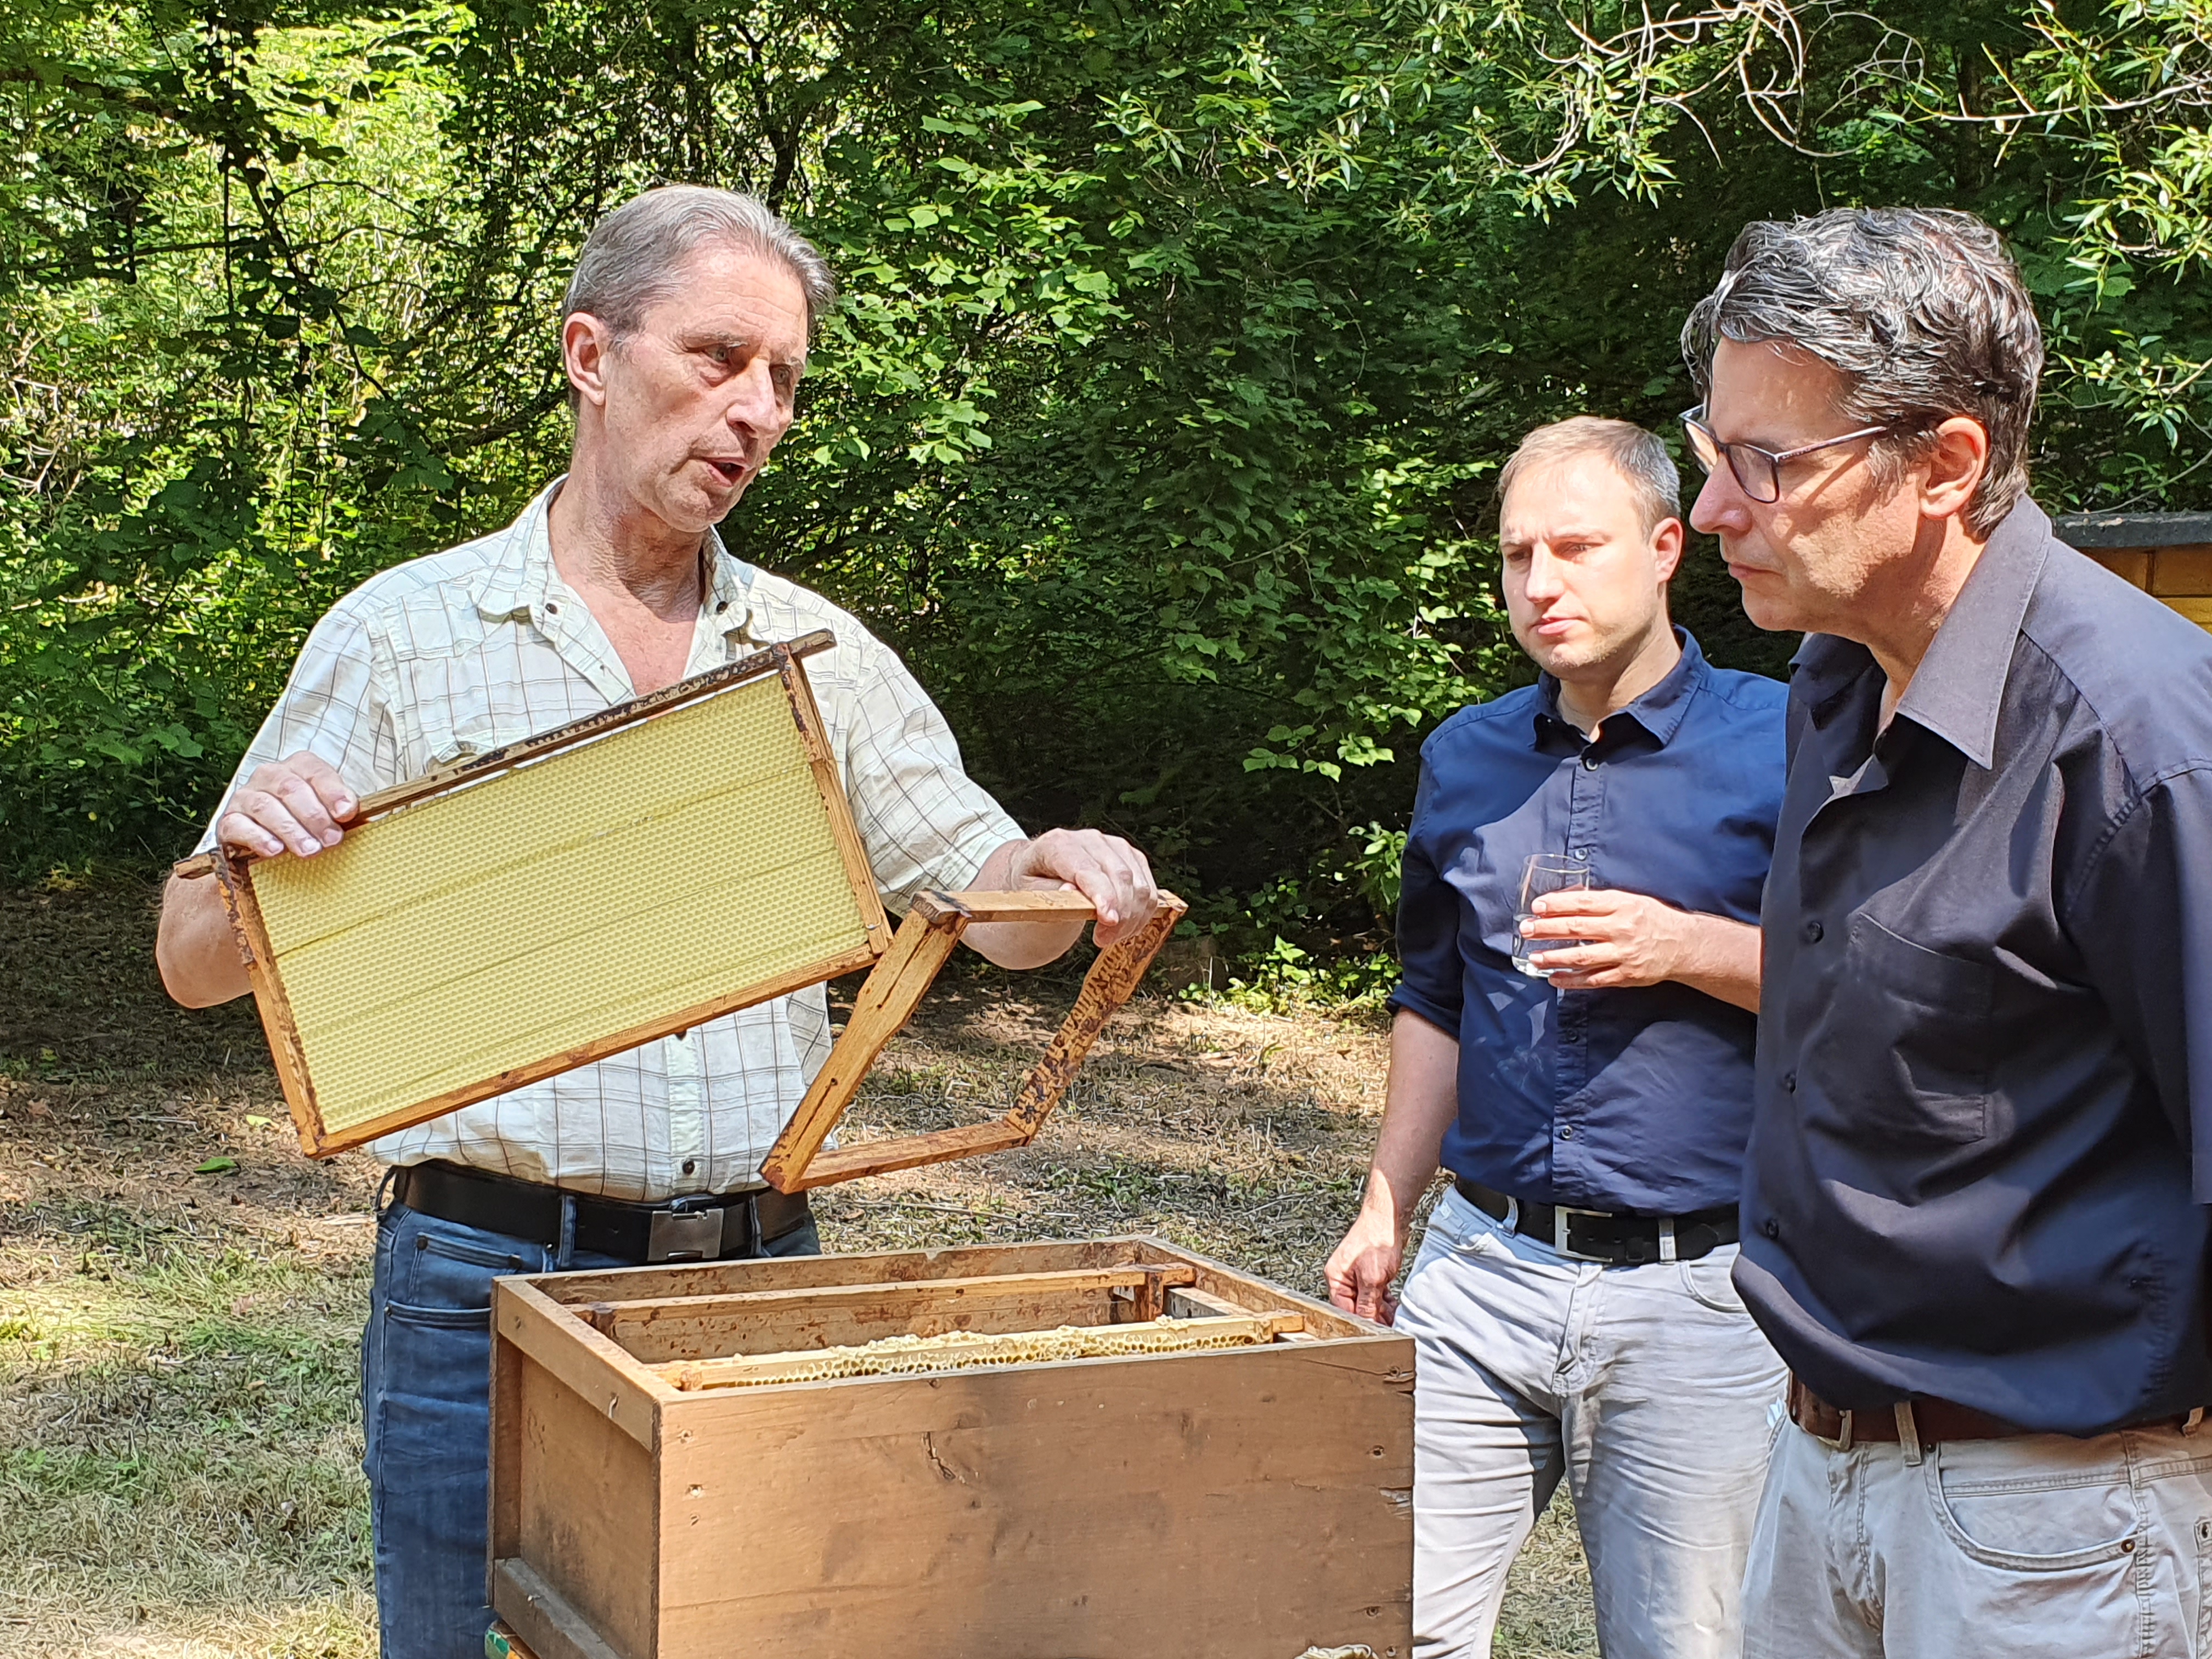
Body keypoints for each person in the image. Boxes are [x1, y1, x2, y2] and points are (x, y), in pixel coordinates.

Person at [153, 185, 1161, 1659]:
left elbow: (990, 907)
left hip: (756, 1280)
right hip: (480, 1291)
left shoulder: (812, 657)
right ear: (589, 355)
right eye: (718, 358)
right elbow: (192, 965)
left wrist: (1060, 869)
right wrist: (251, 851)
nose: (757, 411)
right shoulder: (405, 634)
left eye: (786, 380)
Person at [1681, 205, 2212, 1657]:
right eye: (1709, 446)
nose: (1716, 509)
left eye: (1765, 465)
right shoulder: (1832, 683)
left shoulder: (2141, 738)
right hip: (1816, 1467)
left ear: (1946, 466)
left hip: (2058, 1524)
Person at [1325, 416, 1789, 1659]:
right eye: (1518, 554)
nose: (1542, 585)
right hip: (1481, 1269)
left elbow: (1869, 985)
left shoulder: (1788, 743)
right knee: (1381, 1620)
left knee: (1684, 1647)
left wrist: (1686, 947)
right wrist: (1387, 1206)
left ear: (1665, 547)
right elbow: (1437, 997)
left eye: (1576, 548)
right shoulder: (1466, 756)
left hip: (1701, 1294)